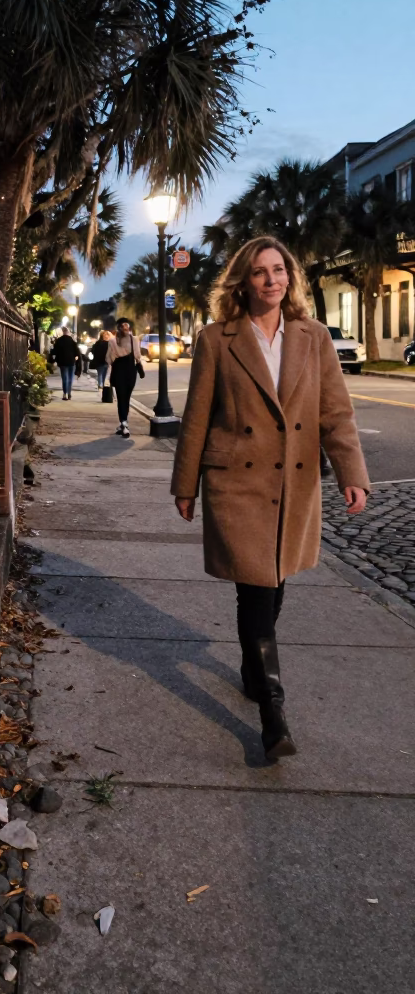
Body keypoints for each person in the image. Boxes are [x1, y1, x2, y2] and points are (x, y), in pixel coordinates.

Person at [171, 236, 369, 761]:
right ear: (243, 281)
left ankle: (251, 666)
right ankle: (272, 713)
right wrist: (185, 484)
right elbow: (197, 416)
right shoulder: (217, 338)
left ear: (290, 278)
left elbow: (335, 412)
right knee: (256, 592)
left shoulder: (314, 336)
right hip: (237, 481)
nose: (271, 280)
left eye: (279, 270)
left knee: (275, 585)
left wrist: (352, 471)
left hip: (294, 482)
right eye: (260, 272)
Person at [106, 318, 144, 437]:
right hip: (130, 371)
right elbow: (137, 356)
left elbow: (108, 359)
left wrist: (116, 356)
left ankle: (124, 423)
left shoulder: (112, 341)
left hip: (118, 371)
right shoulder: (135, 340)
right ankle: (124, 423)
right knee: (126, 398)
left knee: (121, 398)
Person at [51, 326, 80, 400]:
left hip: (62, 362)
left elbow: (55, 351)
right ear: (68, 333)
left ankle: (65, 393)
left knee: (65, 378)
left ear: (63, 332)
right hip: (71, 361)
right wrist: (76, 357)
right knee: (70, 378)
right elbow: (77, 351)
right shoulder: (72, 341)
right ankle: (69, 393)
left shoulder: (59, 341)